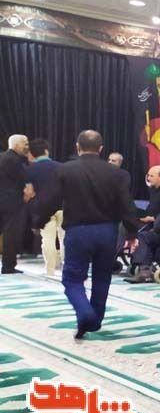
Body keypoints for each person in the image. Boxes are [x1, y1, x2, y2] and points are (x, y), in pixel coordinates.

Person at [32, 130, 140, 338]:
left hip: (78, 231)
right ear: (101, 148)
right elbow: (127, 206)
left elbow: (50, 201)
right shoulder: (118, 174)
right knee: (102, 278)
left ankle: (84, 312)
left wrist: (38, 222)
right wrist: (132, 233)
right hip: (108, 232)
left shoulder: (65, 170)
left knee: (72, 279)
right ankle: (95, 320)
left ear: (77, 147)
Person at [25, 139, 64, 275]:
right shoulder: (62, 167)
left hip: (43, 208)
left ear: (31, 154)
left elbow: (29, 192)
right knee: (65, 239)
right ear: (46, 151)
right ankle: (67, 268)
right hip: (63, 206)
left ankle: (50, 270)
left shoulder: (29, 170)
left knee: (47, 239)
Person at [0, 134, 30, 274]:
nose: (27, 147)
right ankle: (8, 266)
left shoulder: (1, 157)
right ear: (16, 144)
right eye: (25, 143)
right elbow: (23, 181)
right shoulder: (15, 160)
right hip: (11, 202)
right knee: (11, 234)